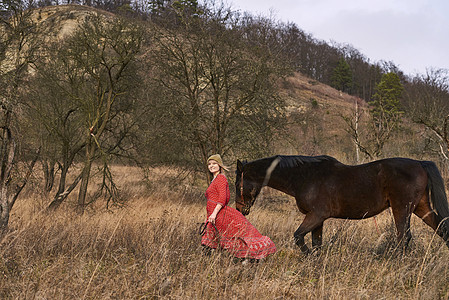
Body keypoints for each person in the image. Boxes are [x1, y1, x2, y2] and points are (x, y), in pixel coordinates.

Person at [201, 154, 276, 261]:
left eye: (214, 163)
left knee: (229, 240)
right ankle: (207, 266)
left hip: (218, 215)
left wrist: (214, 214)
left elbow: (222, 198)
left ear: (220, 165)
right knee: (208, 243)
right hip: (213, 216)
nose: (211, 166)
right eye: (209, 164)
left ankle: (249, 259)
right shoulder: (215, 179)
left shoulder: (221, 178)